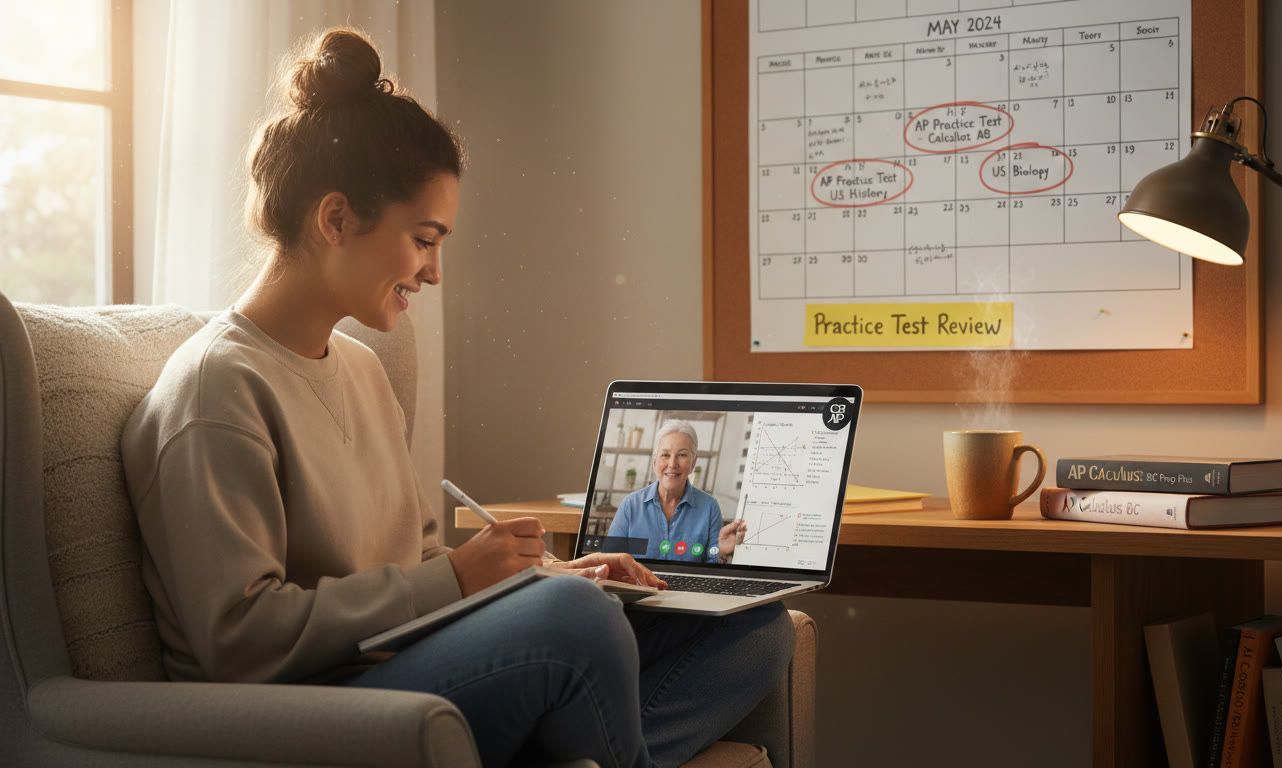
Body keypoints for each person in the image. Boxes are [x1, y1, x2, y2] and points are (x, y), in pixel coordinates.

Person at [120, 28, 793, 768]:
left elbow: (417, 562)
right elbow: (239, 640)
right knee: (575, 620)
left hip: (417, 666)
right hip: (320, 707)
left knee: (747, 629)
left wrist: (544, 575)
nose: (434, 272)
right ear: (335, 219)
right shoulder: (216, 388)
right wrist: (468, 578)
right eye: (424, 239)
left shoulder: (360, 370)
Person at [604, 421, 747, 564]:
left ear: (693, 463)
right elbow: (611, 561)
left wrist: (720, 552)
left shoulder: (710, 507)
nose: (672, 464)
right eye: (665, 455)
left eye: (682, 455)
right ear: (655, 462)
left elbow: (712, 567)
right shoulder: (631, 504)